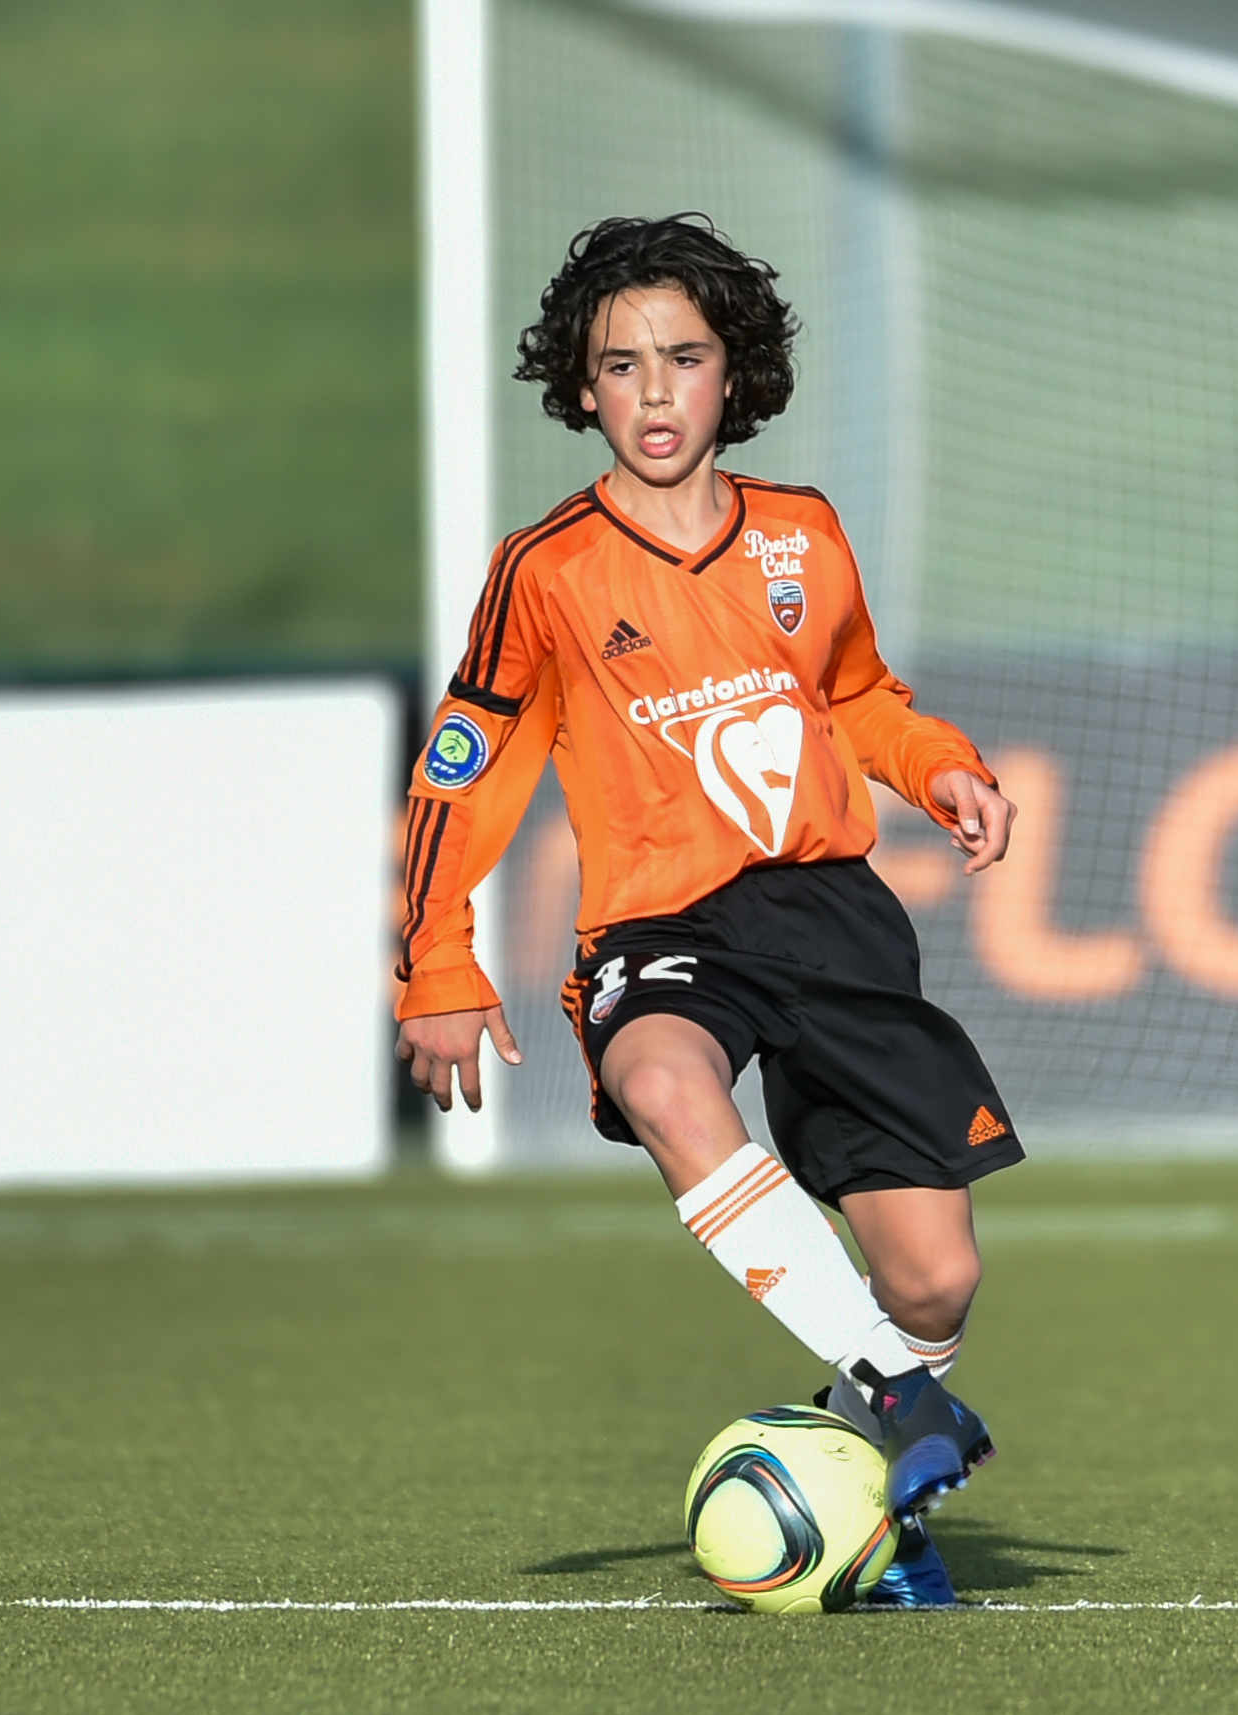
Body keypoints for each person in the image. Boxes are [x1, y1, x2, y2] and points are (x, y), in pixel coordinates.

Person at [395, 214, 1023, 1607]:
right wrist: (435, 956)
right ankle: (902, 1405)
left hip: (836, 916)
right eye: (621, 367)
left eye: (683, 358)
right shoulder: (545, 571)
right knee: (666, 1076)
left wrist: (944, 768)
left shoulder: (803, 533)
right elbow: (470, 757)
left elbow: (858, 695)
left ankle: (877, 1486)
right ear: (581, 389)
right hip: (663, 927)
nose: (656, 390)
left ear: (735, 375)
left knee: (932, 1280)